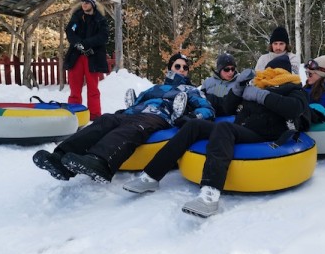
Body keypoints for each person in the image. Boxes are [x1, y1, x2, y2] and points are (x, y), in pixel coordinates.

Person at [122, 55, 311, 218]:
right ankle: (150, 176)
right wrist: (237, 91)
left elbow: (295, 108)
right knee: (194, 126)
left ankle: (209, 195)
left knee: (224, 129)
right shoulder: (258, 85)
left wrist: (263, 97)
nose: (269, 74)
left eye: (274, 71)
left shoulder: (294, 88)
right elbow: (227, 108)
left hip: (265, 134)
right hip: (244, 127)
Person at [32, 53, 215, 183]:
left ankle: (101, 162)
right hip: (134, 113)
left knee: (133, 127)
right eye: (178, 66)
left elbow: (207, 109)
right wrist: (124, 111)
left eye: (185, 68)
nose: (182, 70)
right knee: (105, 120)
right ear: (169, 68)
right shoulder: (154, 88)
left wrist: (191, 116)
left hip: (159, 116)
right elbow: (135, 103)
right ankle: (59, 158)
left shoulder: (190, 90)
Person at [64, 0, 109, 121]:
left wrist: (87, 44)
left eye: (87, 2)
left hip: (92, 58)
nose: (84, 4)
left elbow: (103, 36)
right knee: (74, 89)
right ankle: (74, 114)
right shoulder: (76, 17)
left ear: (93, 5)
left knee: (93, 89)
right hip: (76, 57)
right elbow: (69, 32)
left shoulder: (100, 20)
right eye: (83, 2)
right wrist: (79, 44)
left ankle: (95, 116)